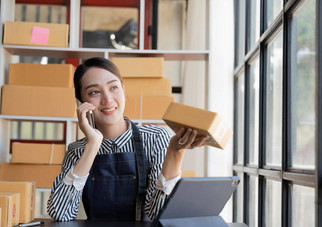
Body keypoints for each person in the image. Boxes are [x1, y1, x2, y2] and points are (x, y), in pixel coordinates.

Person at [47, 57, 206, 222]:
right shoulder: (78, 150)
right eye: (94, 92)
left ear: (123, 90)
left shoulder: (156, 138)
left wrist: (175, 153)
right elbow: (61, 213)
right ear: (81, 103)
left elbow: (159, 214)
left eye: (113, 87)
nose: (108, 99)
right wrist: (92, 145)